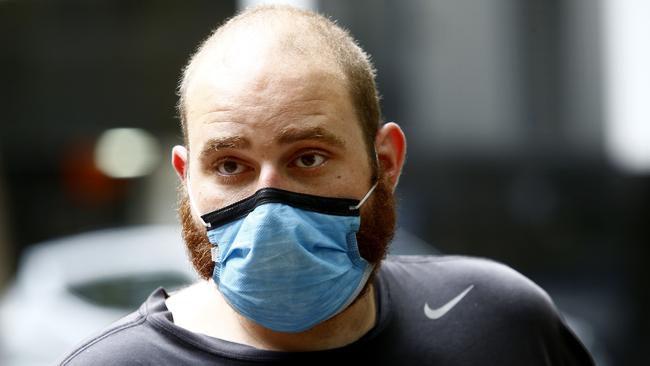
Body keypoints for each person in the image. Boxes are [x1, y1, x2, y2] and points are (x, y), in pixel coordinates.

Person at [59, 5, 594, 365]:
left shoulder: (499, 323)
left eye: (308, 157)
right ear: (187, 180)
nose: (267, 205)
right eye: (229, 166)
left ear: (384, 162)